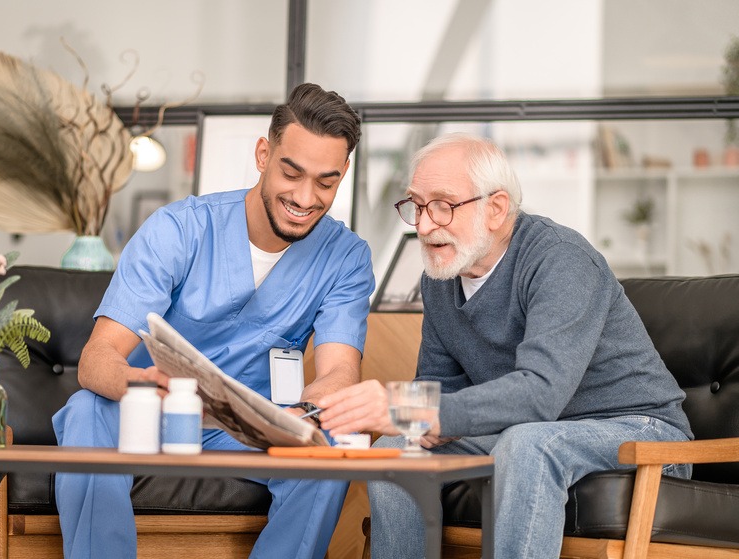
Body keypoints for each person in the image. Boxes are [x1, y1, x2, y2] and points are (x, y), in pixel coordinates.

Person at [317, 133, 693, 559]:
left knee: (527, 443)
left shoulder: (560, 259)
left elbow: (540, 394)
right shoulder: (440, 279)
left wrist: (407, 408)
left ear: (495, 209)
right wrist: (399, 417)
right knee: (397, 451)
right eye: (416, 206)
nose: (423, 225)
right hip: (527, 428)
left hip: (640, 432)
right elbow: (440, 387)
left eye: (442, 205)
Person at [52, 83, 374, 559]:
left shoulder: (346, 258)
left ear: (343, 173)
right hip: (152, 413)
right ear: (264, 155)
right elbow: (96, 360)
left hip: (247, 434)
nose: (306, 197)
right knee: (85, 408)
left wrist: (302, 413)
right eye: (292, 172)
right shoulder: (178, 230)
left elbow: (339, 373)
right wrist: (143, 385)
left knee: (325, 446)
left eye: (325, 182)